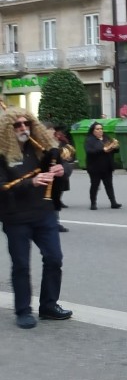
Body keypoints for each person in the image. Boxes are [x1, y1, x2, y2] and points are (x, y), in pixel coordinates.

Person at [0, 108, 73, 329]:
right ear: (7, 129)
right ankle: (23, 311)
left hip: (44, 213)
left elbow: (63, 163)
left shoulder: (39, 148)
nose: (23, 128)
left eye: (27, 123)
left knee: (54, 258)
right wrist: (30, 182)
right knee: (21, 265)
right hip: (16, 217)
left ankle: (49, 306)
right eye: (17, 125)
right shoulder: (2, 154)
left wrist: (62, 169)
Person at [85, 121, 122, 211]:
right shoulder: (89, 140)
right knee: (95, 185)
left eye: (101, 129)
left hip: (107, 166)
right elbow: (89, 151)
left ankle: (113, 202)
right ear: (93, 131)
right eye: (97, 129)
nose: (100, 131)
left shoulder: (106, 138)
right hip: (95, 167)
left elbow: (113, 150)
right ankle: (93, 203)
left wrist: (115, 147)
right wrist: (103, 150)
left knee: (109, 185)